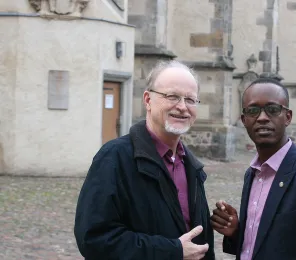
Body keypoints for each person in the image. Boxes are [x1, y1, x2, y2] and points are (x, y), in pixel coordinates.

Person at [74, 60, 215, 260]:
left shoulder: (190, 166)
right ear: (148, 100)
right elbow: (94, 239)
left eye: (190, 100)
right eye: (172, 96)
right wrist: (172, 250)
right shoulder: (115, 158)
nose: (183, 107)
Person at [210, 77, 296, 260]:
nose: (262, 118)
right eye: (253, 110)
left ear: (288, 117)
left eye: (272, 110)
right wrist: (236, 233)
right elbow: (267, 243)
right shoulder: (252, 173)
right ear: (244, 119)